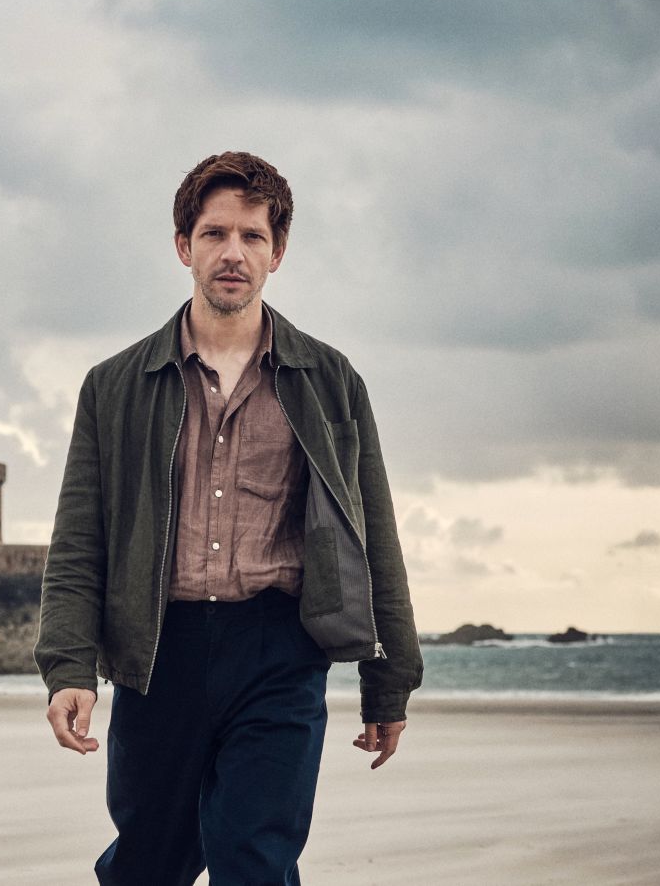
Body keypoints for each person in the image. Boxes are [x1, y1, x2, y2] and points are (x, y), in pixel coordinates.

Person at [34, 151, 424, 885]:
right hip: (160, 652)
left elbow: (373, 534)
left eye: (252, 235)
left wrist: (388, 680)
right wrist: (68, 667)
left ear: (278, 251)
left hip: (280, 650)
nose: (233, 253)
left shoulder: (331, 381)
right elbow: (79, 539)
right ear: (185, 247)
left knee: (255, 860)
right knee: (149, 863)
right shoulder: (115, 385)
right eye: (215, 234)